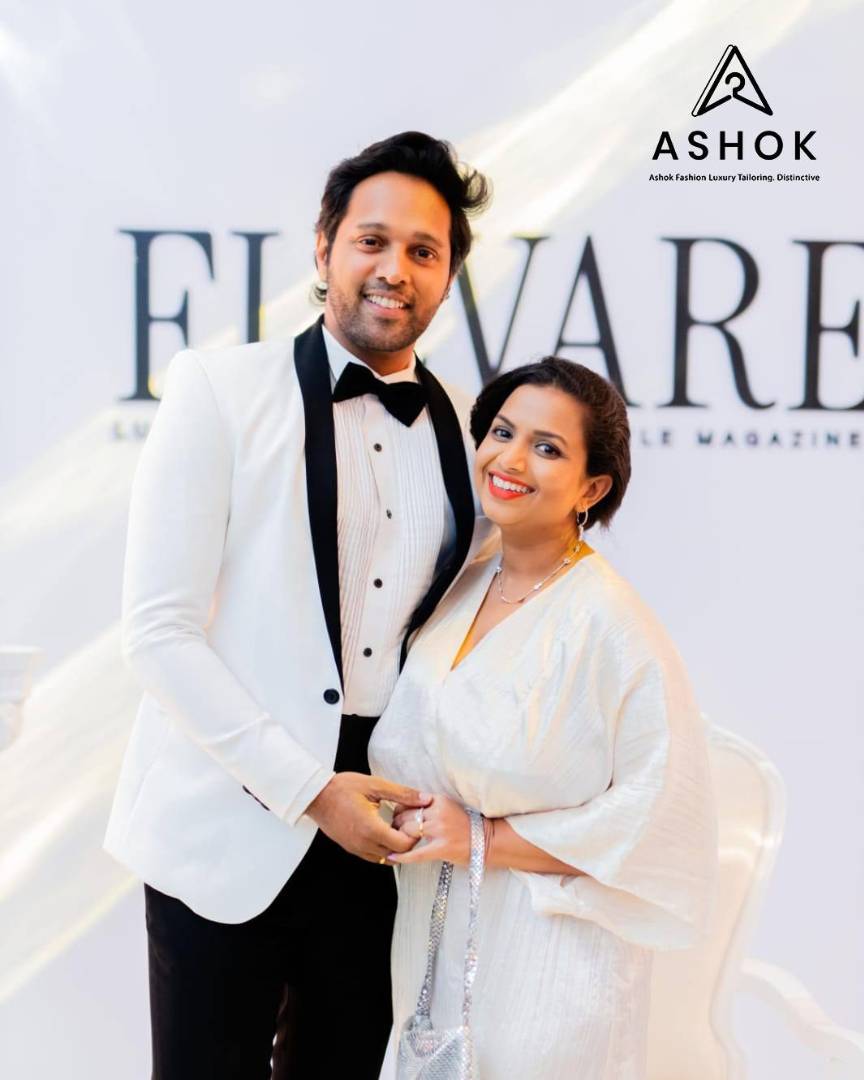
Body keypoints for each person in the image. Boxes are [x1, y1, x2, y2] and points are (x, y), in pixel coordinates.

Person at [104, 131, 492, 1079]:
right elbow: (158, 632)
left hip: (387, 844)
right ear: (324, 247)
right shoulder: (218, 390)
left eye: (424, 250)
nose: (394, 269)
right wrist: (311, 790)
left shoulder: (472, 427)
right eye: (372, 240)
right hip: (228, 818)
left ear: (447, 277)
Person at [369, 357, 718, 1079]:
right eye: (502, 433)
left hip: (549, 970)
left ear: (592, 488)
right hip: (433, 947)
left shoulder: (609, 621)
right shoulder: (462, 584)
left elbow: (664, 816)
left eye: (548, 448)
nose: (511, 460)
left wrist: (484, 838)